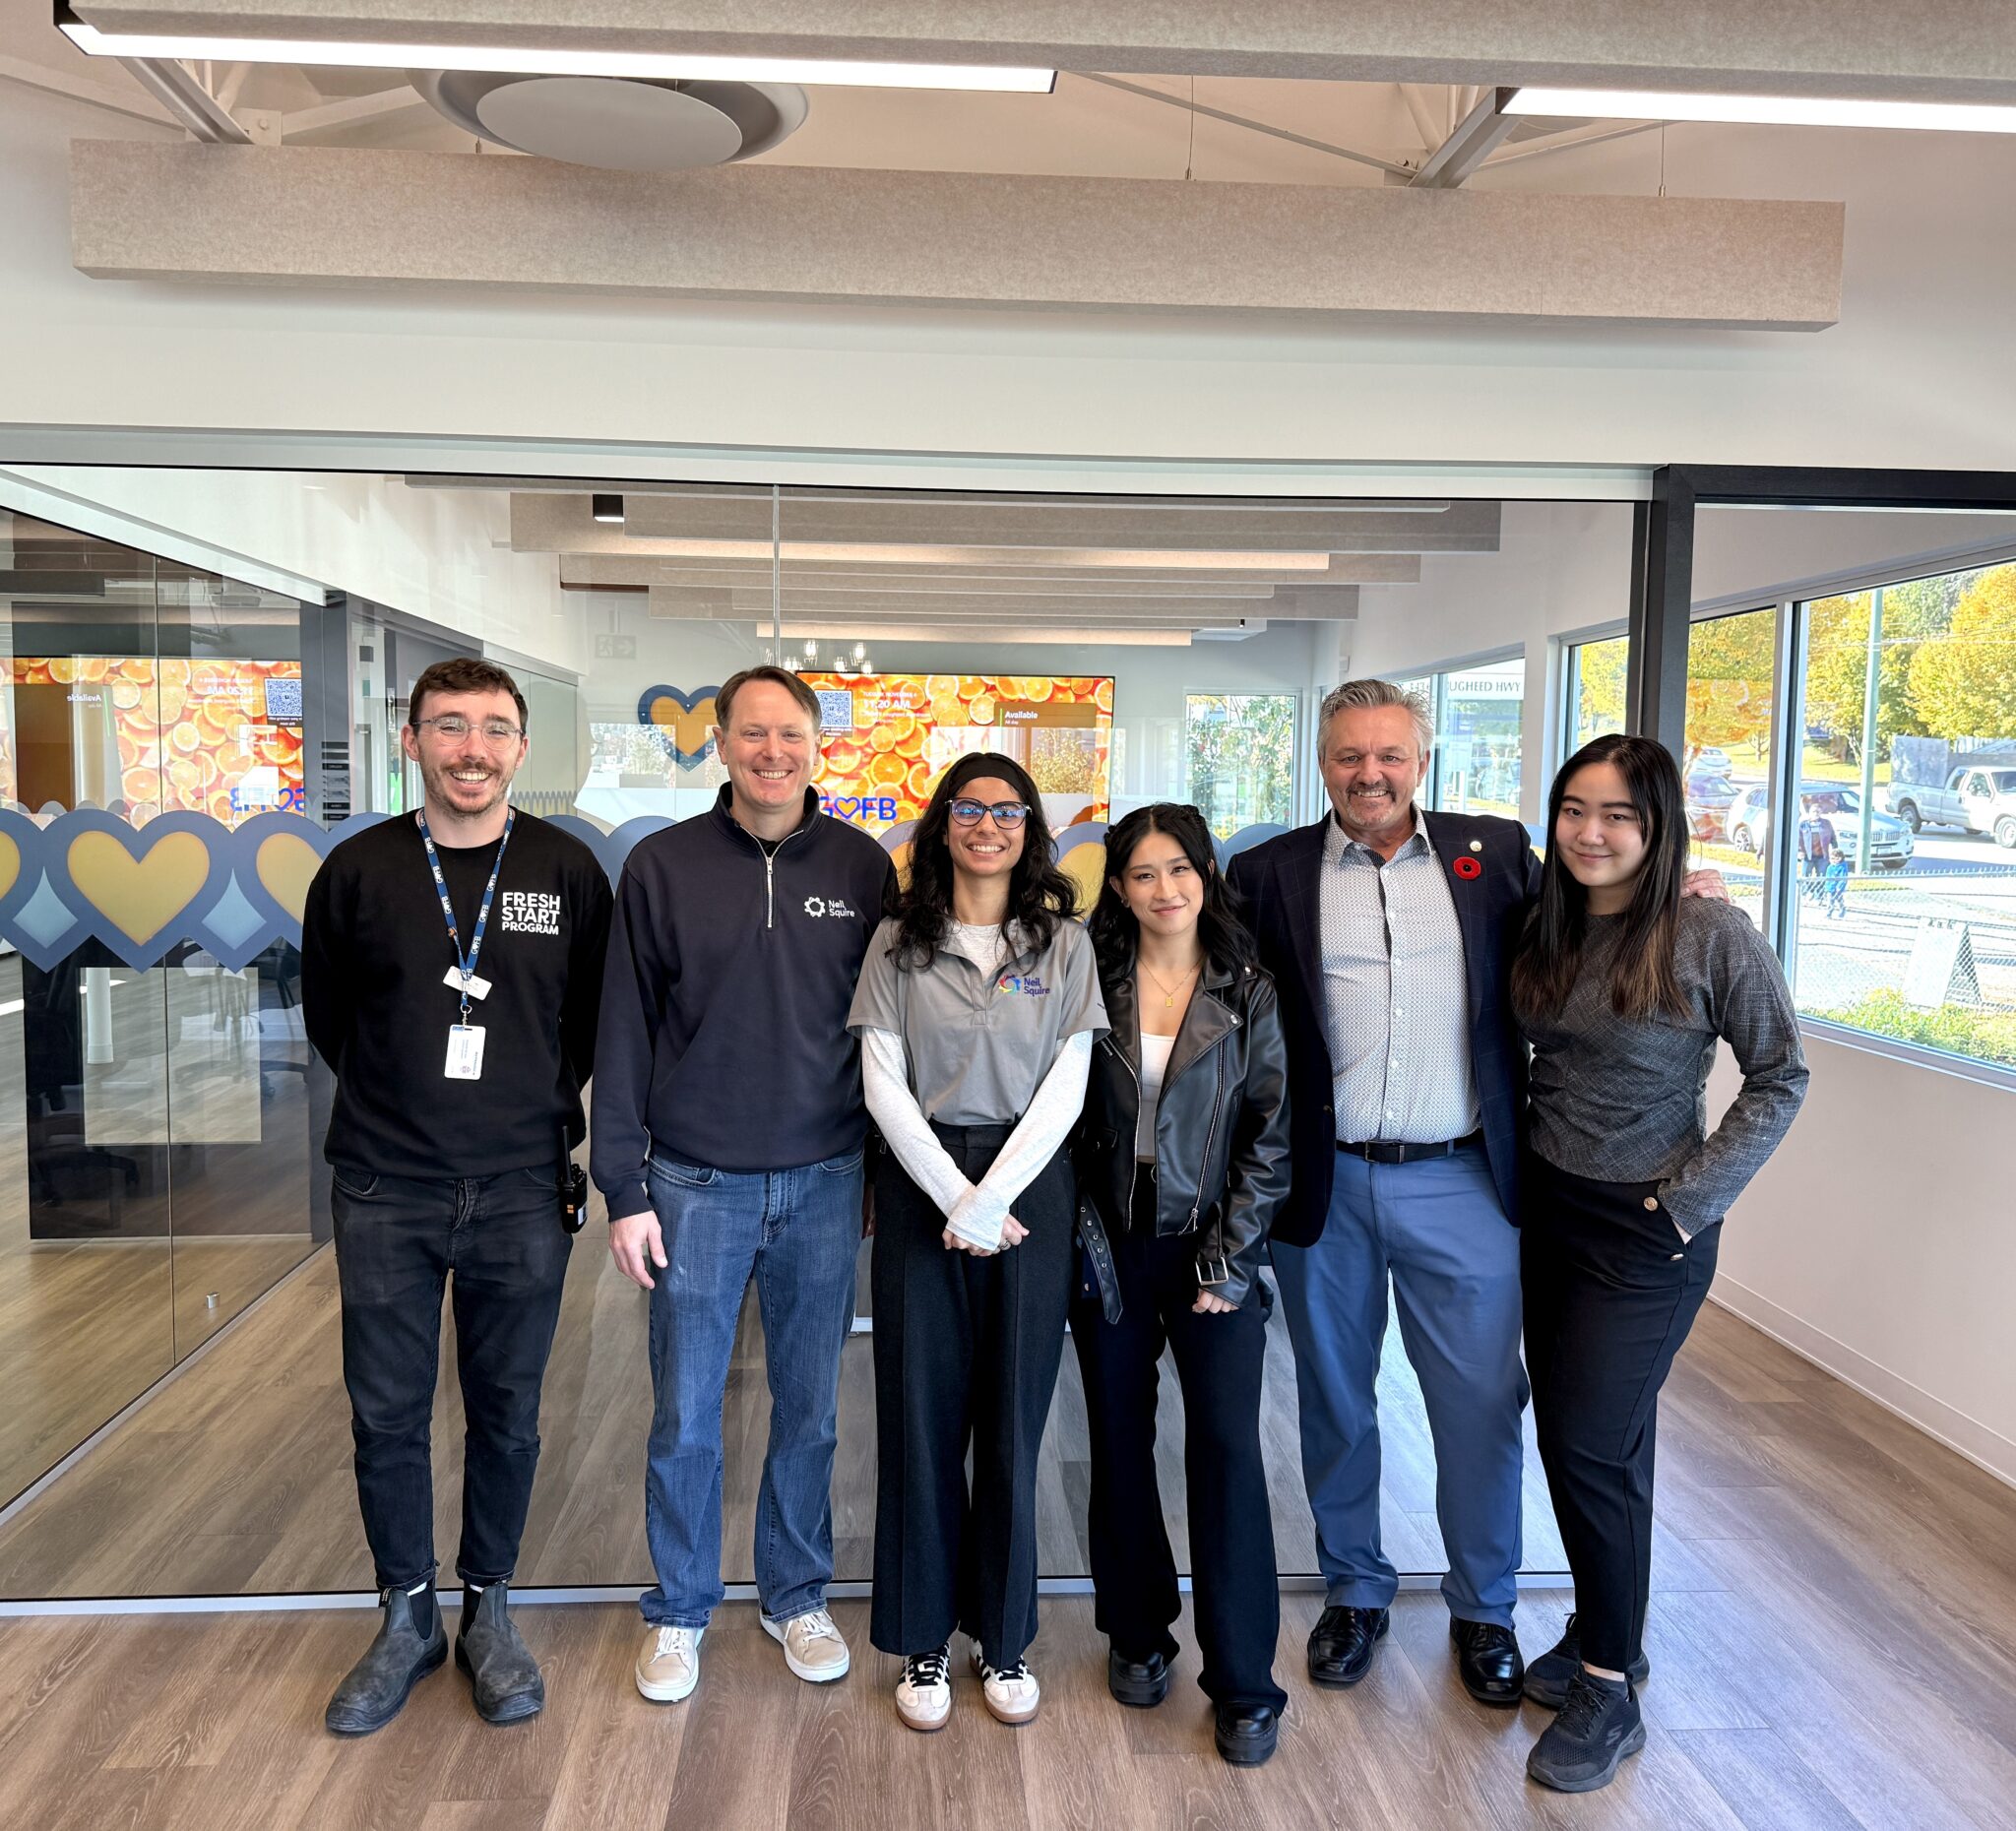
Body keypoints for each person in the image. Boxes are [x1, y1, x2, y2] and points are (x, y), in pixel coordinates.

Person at [302, 657, 612, 1734]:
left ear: (521, 746)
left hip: (523, 1186)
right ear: (412, 741)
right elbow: (331, 1021)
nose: (471, 748)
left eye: (491, 728)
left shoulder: (566, 869)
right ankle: (404, 1615)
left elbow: (583, 1025)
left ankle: (488, 1607)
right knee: (385, 1414)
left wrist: (516, 1110)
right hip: (385, 1184)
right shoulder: (357, 871)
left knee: (507, 1416)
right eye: (448, 727)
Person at [1228, 677, 1543, 1708]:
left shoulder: (1491, 856)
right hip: (1325, 1184)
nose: (1368, 775)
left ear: (1422, 759)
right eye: (1348, 757)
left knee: (1479, 1406)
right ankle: (1355, 1591)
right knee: (1334, 1402)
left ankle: (1485, 1608)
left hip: (1461, 1176)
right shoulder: (1266, 871)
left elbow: (1584, 939)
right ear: (1320, 765)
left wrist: (1678, 894)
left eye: (1388, 756)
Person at [592, 665, 893, 1707]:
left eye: (791, 735)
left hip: (825, 1178)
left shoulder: (862, 867)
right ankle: (678, 1611)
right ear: (719, 744)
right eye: (753, 735)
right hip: (691, 1184)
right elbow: (622, 1031)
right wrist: (622, 1185)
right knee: (684, 1412)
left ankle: (793, 1594)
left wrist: (879, 1174)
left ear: (818, 747)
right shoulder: (662, 867)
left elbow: (885, 1038)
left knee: (809, 1409)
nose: (773, 753)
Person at [1514, 734, 1806, 1793]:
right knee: (1588, 1441)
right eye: (1574, 810)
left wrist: (1687, 1203)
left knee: (1590, 1444)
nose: (1592, 834)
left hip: (1646, 1231)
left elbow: (1779, 1073)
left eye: (1619, 817)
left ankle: (1606, 1686)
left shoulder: (1705, 930)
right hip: (1549, 1212)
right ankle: (1611, 1635)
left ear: (1658, 828)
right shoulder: (1543, 919)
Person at [847, 752, 1105, 1733]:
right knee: (917, 1421)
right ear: (942, 822)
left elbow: (1068, 1085)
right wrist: (955, 1196)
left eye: (1006, 811)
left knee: (1011, 1424)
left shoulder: (1062, 944)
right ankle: (921, 1642)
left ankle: (1002, 1640)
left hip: (1028, 1187)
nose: (986, 825)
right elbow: (881, 1082)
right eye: (968, 808)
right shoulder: (896, 943)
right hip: (923, 1189)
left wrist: (993, 1197)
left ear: (1029, 827)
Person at [1072, 803, 1292, 1767]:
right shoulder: (1090, 978)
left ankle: (1243, 1680)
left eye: (1179, 870)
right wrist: (1082, 1235)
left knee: (1225, 1456)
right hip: (1110, 1247)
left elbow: (1269, 1139)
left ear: (1206, 875)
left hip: (1212, 1251)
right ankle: (1134, 1631)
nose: (1163, 891)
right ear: (1118, 887)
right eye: (1142, 874)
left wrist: (1229, 1261)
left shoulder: (1249, 992)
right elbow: (1058, 1119)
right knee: (1117, 1442)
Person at [1823, 843, 1850, 918]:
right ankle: (1829, 913)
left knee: (1839, 899)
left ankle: (1842, 909)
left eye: (1837, 859)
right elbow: (1827, 877)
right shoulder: (1830, 867)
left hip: (1838, 888)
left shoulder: (1842, 867)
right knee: (1830, 901)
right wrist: (1826, 886)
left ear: (1841, 858)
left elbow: (1843, 878)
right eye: (1832, 859)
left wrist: (1840, 887)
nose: (1835, 860)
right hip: (1830, 887)